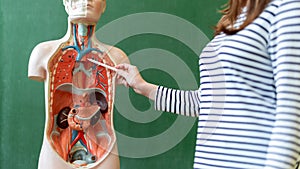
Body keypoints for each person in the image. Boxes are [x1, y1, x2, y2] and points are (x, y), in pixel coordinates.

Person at [116, 0, 300, 168]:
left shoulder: (287, 7)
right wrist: (143, 87)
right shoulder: (235, 17)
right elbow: (207, 102)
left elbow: (293, 110)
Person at [28, 0, 128, 168]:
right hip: (56, 148)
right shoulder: (43, 54)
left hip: (103, 151)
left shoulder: (117, 59)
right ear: (66, 2)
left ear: (103, 5)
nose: (85, 1)